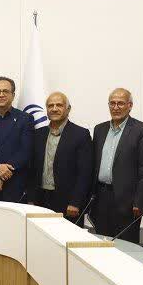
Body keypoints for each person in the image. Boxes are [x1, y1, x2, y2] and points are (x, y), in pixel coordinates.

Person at [90, 88, 143, 242]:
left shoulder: (141, 130)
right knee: (101, 242)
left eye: (120, 103)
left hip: (127, 201)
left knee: (126, 245)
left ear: (130, 106)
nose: (116, 107)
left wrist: (140, 201)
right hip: (101, 197)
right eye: (112, 103)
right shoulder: (100, 129)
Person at [28, 92, 92, 223]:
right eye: (50, 105)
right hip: (40, 199)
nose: (54, 109)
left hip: (68, 202)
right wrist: (31, 198)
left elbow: (85, 173)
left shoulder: (81, 134)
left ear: (68, 109)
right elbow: (32, 169)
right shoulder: (38, 134)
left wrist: (76, 202)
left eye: (59, 105)